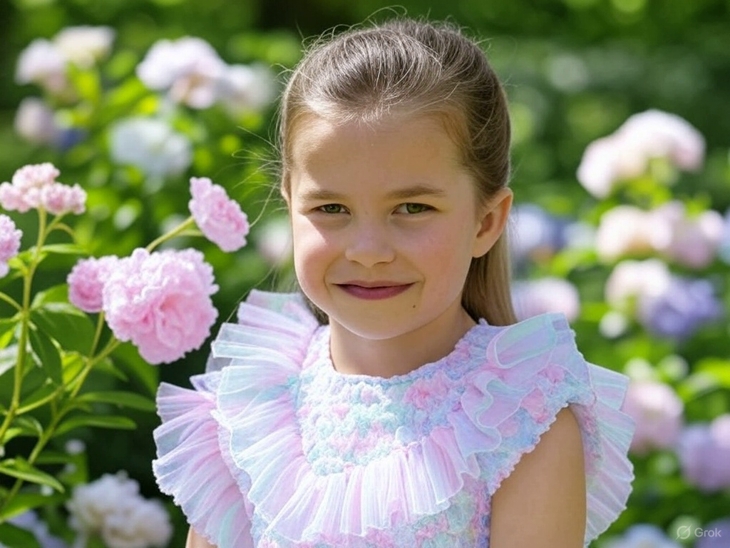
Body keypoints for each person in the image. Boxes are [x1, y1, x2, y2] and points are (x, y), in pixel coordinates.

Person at [152, 17, 635, 548]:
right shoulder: (253, 406)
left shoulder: (522, 418)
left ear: (485, 222)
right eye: (331, 208)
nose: (368, 251)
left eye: (412, 208)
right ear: (290, 204)